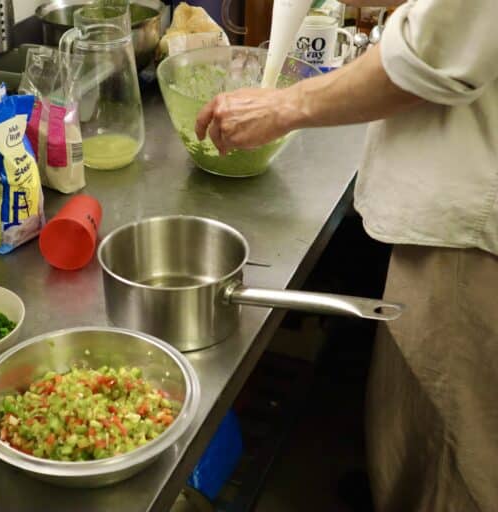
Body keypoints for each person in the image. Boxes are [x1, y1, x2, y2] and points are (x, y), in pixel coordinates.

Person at [195, 0, 498, 510]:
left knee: (449, 470)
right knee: (413, 439)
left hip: (471, 241)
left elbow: (431, 51)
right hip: (461, 219)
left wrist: (280, 107)